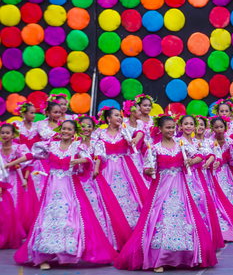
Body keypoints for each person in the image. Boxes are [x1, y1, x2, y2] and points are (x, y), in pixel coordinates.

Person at [9, 120, 118, 270]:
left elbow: (88, 160)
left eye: (69, 129)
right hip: (52, 189)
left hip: (70, 187)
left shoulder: (77, 147)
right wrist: (10, 164)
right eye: (64, 129)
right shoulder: (51, 145)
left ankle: (66, 254)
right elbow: (31, 155)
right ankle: (43, 257)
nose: (65, 131)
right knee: (47, 220)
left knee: (71, 220)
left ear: (74, 133)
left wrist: (80, 160)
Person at [114, 116, 217, 272]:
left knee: (183, 217)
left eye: (173, 127)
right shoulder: (154, 148)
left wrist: (192, 161)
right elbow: (147, 169)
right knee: (159, 217)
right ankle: (158, 259)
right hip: (161, 189)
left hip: (181, 188)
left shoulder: (181, 145)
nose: (171, 130)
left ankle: (184, 256)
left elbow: (200, 155)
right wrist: (148, 171)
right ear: (160, 129)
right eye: (167, 128)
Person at [77, 115, 132, 251]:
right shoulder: (75, 144)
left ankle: (103, 244)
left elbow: (99, 156)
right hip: (78, 180)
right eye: (83, 126)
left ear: (93, 129)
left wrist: (95, 169)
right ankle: (79, 244)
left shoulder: (97, 142)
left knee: (100, 210)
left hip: (94, 180)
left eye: (89, 126)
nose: (86, 128)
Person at [195, 116, 233, 242]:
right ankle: (220, 230)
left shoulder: (231, 142)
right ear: (212, 129)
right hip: (212, 174)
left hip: (227, 174)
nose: (219, 129)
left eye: (221, 126)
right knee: (216, 201)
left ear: (225, 127)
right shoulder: (209, 142)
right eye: (216, 127)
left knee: (230, 198)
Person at [176, 114, 224, 250]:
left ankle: (205, 240)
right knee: (187, 206)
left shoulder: (197, 143)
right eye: (186, 124)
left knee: (202, 203)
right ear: (180, 126)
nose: (189, 127)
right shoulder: (177, 141)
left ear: (195, 127)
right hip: (184, 178)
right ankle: (189, 239)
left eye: (191, 124)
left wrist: (206, 159)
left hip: (198, 178)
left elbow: (208, 154)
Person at [96, 107, 148, 229]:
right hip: (107, 169)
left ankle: (132, 225)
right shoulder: (100, 133)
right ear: (108, 118)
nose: (120, 118)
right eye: (116, 115)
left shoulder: (125, 131)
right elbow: (96, 150)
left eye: (120, 115)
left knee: (129, 193)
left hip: (124, 167)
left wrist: (136, 138)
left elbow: (140, 130)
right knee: (108, 196)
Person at [0, 123, 38, 235]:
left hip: (16, 179)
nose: (4, 135)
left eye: (8, 132)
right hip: (2, 179)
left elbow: (29, 161)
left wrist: (25, 179)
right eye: (2, 132)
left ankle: (15, 230)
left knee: (17, 205)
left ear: (13, 135)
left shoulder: (19, 147)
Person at [122, 100, 147, 187]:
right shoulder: (123, 125)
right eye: (139, 110)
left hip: (138, 156)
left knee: (140, 180)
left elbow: (141, 132)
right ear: (132, 112)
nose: (141, 112)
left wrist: (136, 139)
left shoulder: (140, 123)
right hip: (127, 156)